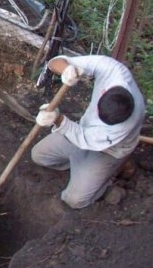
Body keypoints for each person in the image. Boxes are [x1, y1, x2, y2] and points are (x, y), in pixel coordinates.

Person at [31, 54, 145, 209]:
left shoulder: (120, 128)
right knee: (38, 156)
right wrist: (67, 70)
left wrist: (57, 119)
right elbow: (53, 62)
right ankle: (81, 166)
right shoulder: (112, 70)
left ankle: (111, 172)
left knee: (74, 200)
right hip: (83, 130)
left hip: (109, 150)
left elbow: (84, 138)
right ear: (104, 92)